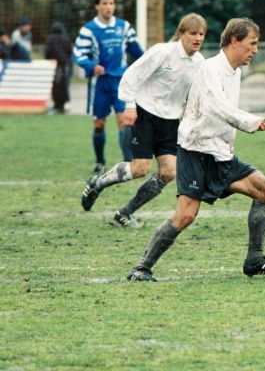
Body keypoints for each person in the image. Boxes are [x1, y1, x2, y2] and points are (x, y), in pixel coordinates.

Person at [126, 17, 265, 282]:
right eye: (252, 44)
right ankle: (141, 268)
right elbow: (215, 105)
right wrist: (250, 121)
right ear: (234, 41)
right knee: (186, 215)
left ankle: (255, 259)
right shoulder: (211, 68)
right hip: (196, 152)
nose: (255, 50)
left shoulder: (234, 71)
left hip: (220, 153)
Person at [81, 14, 207, 228]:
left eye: (201, 34)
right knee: (140, 168)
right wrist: (129, 105)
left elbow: (193, 96)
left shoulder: (199, 63)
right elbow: (132, 75)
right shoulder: (162, 52)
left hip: (169, 122)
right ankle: (98, 182)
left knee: (169, 172)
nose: (198, 38)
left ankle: (125, 213)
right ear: (181, 34)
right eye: (193, 33)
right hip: (145, 115)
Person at [73, 0, 145, 175]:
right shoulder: (88, 30)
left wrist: (147, 66)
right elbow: (78, 54)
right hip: (100, 85)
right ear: (97, 6)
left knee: (124, 121)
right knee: (99, 124)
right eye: (105, 3)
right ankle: (99, 162)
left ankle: (128, 163)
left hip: (121, 82)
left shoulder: (124, 27)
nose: (108, 7)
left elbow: (136, 51)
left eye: (111, 3)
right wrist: (91, 65)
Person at [44, 22, 73, 113]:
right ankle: (63, 104)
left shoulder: (50, 39)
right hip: (65, 65)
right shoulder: (65, 39)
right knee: (64, 85)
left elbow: (47, 53)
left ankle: (56, 104)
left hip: (54, 65)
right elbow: (70, 51)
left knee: (55, 85)